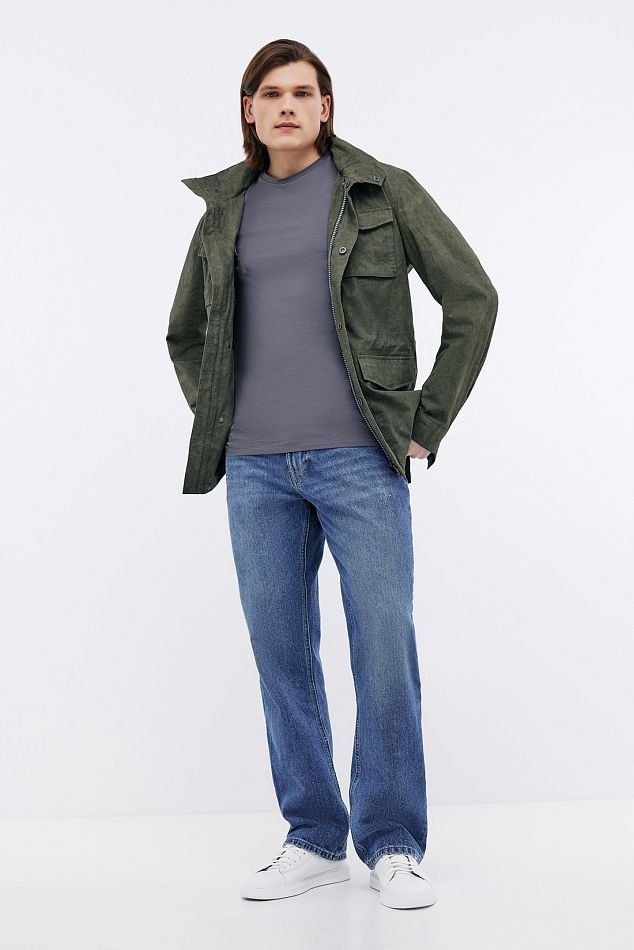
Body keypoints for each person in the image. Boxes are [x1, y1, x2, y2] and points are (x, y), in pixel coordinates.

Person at [166, 39, 498, 910]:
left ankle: (392, 843)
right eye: (270, 93)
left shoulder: (383, 192)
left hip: (361, 458)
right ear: (249, 110)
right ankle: (313, 837)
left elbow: (473, 299)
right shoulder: (226, 211)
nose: (287, 106)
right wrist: (221, 415)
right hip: (255, 469)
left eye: (302, 92)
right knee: (281, 652)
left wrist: (426, 421)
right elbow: (186, 333)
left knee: (383, 645)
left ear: (326, 106)